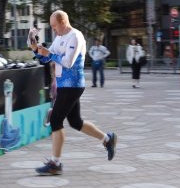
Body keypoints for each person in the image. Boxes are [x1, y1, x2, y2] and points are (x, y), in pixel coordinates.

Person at [30, 10, 116, 176]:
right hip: (64, 86)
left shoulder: (75, 36)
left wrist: (49, 53)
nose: (53, 29)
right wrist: (35, 48)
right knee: (76, 122)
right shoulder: (59, 37)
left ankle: (55, 164)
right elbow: (47, 58)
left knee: (56, 120)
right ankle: (107, 139)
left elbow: (68, 62)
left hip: (73, 85)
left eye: (54, 26)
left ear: (63, 22)